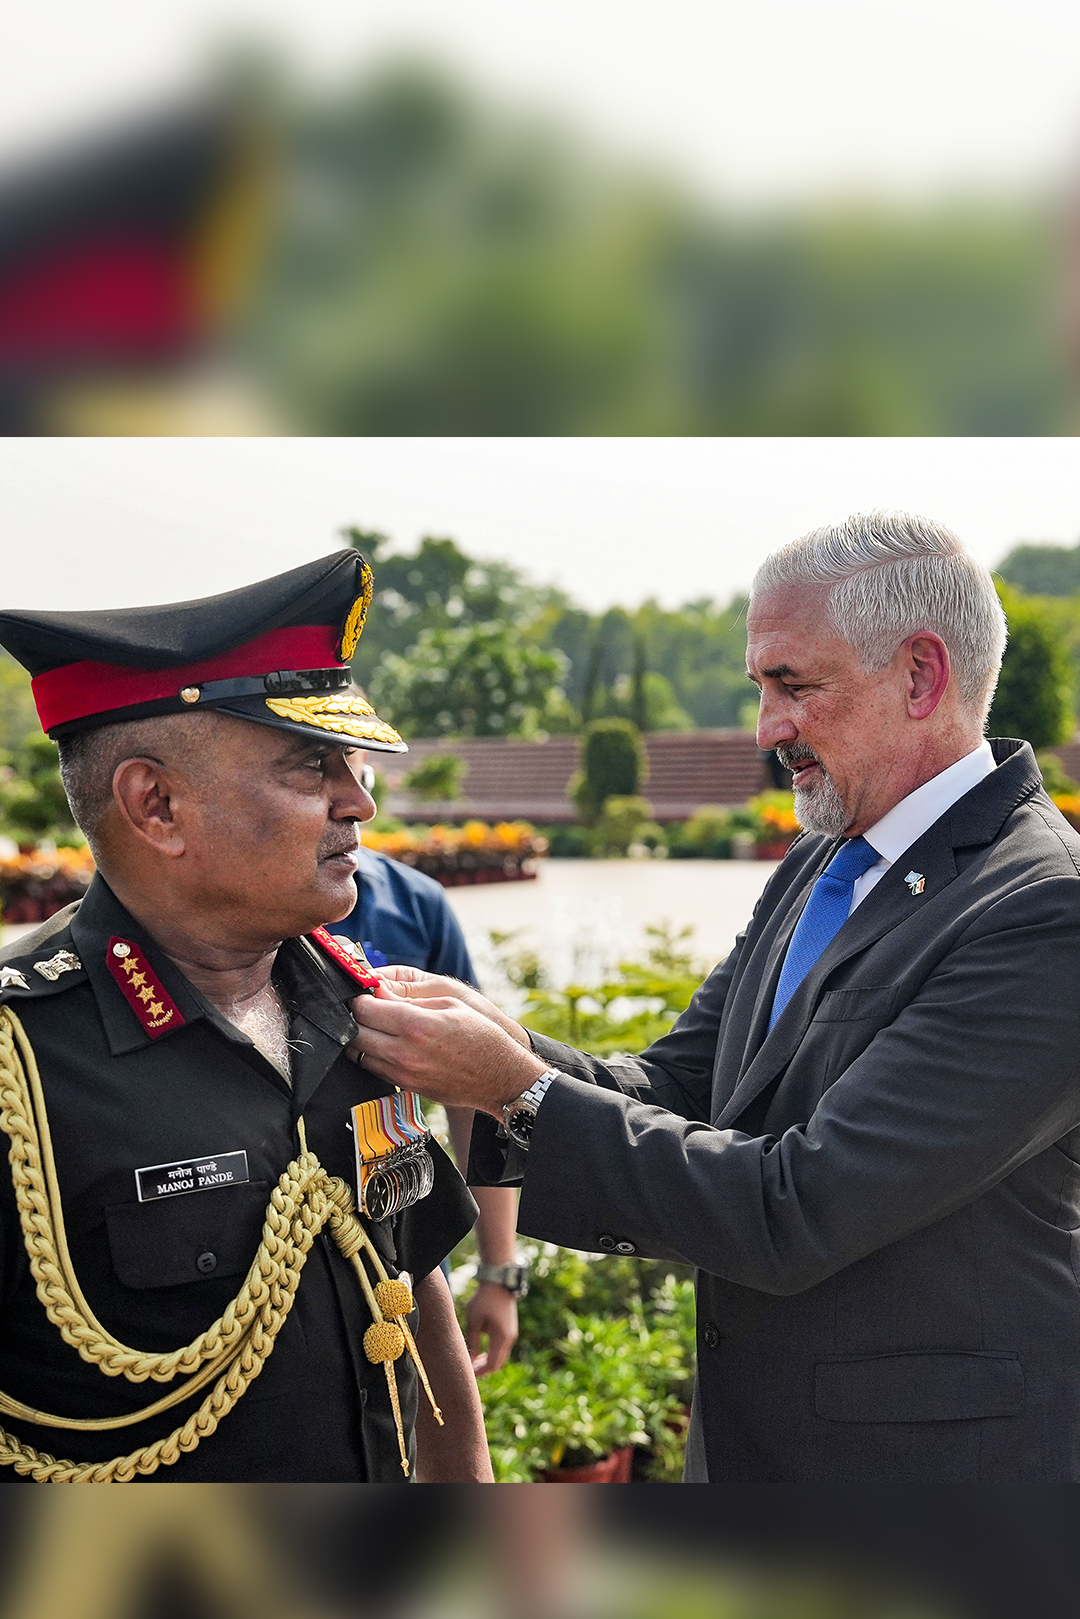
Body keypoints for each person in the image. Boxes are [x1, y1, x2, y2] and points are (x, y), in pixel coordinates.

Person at [348, 510, 1080, 1483]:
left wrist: (519, 1091)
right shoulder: (823, 859)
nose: (769, 727)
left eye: (794, 685)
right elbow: (681, 1087)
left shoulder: (1041, 910)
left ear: (921, 675)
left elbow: (799, 1207)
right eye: (760, 687)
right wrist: (496, 1046)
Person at [0, 547, 492, 1483]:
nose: (362, 800)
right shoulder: (20, 1064)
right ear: (157, 805)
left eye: (352, 764)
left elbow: (408, 1280)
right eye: (314, 767)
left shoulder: (360, 1013)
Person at [328, 807, 525, 1376]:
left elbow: (473, 1094)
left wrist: (499, 1270)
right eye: (313, 765)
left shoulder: (413, 903)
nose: (349, 797)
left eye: (352, 763)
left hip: (399, 1242)